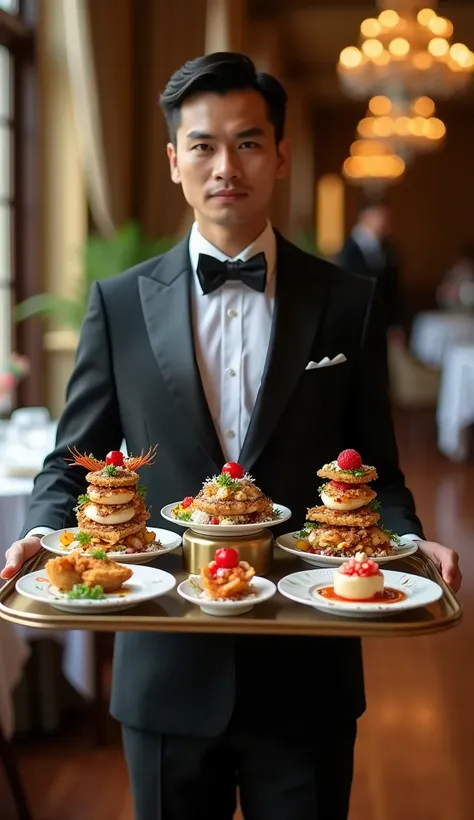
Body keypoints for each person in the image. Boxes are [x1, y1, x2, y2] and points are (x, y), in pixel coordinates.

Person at [2, 52, 461, 820]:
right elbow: (71, 461)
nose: (226, 166)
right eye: (204, 145)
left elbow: (374, 468)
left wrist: (415, 543)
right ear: (175, 159)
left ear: (280, 155)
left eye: (247, 142)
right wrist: (40, 535)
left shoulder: (348, 300)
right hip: (165, 673)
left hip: (308, 672)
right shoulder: (118, 303)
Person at [338, 198, 403, 334]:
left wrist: (395, 323)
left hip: (383, 322)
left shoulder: (388, 248)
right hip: (356, 321)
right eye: (380, 216)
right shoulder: (349, 250)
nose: (385, 222)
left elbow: (392, 289)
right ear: (366, 216)